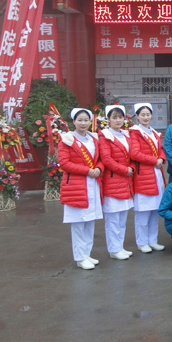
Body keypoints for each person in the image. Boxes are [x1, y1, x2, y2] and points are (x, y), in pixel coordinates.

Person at [59, 108, 104, 270]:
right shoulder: (67, 140)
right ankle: (80, 257)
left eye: (86, 120)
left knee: (90, 221)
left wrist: (98, 168)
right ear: (73, 121)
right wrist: (87, 171)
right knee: (78, 224)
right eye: (80, 120)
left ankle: (87, 254)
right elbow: (64, 163)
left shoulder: (93, 139)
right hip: (76, 186)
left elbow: (100, 159)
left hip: (92, 184)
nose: (83, 123)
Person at [130, 103, 167, 253]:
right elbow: (135, 153)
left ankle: (153, 240)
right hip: (144, 176)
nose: (146, 117)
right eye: (142, 115)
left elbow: (160, 150)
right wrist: (154, 161)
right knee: (143, 213)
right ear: (137, 117)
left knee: (154, 211)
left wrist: (162, 159)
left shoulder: (153, 132)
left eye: (148, 114)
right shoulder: (135, 133)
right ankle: (142, 242)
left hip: (156, 174)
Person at [98, 105, 134, 261]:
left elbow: (132, 156)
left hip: (126, 182)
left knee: (122, 219)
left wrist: (131, 168)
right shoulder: (105, 136)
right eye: (114, 117)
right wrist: (124, 170)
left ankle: (119, 246)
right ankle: (113, 249)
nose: (118, 120)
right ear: (108, 119)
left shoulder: (125, 135)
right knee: (113, 219)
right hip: (113, 181)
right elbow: (106, 159)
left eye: (120, 117)